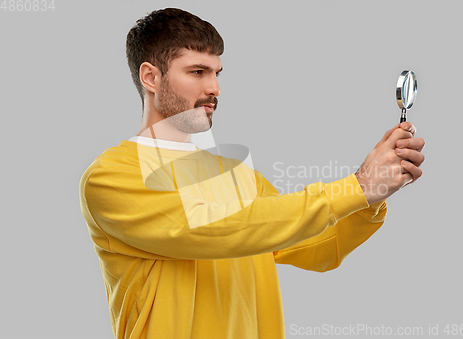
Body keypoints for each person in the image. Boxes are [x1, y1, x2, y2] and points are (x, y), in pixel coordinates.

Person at [78, 7, 425, 339]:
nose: (214, 88)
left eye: (217, 73)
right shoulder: (111, 177)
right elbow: (217, 228)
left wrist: (372, 195)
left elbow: (318, 247)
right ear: (151, 77)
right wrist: (357, 186)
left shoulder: (236, 176)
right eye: (198, 72)